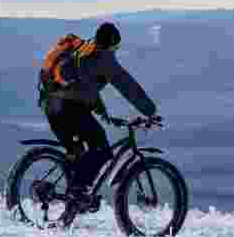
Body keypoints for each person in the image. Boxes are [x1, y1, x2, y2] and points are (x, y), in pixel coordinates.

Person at [42, 22, 158, 209]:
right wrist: (150, 111)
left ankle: (71, 203)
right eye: (116, 47)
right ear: (112, 44)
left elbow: (86, 91)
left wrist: (105, 115)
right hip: (70, 108)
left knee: (78, 154)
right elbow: (128, 86)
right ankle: (78, 192)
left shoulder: (82, 50)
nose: (115, 51)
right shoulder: (105, 59)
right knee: (102, 150)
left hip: (51, 105)